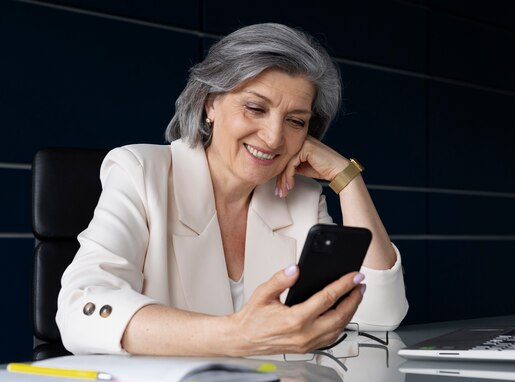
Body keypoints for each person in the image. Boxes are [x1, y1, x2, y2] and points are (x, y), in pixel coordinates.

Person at [56, 23, 408, 356]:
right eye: (255, 108)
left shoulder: (301, 199)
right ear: (210, 102)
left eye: (295, 121)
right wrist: (239, 334)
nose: (273, 137)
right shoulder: (141, 173)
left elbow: (380, 317)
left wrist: (346, 177)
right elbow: (81, 309)